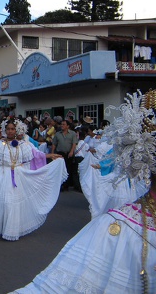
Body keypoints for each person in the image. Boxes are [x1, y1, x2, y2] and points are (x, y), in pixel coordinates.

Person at [12, 89, 156, 293]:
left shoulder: (38, 141)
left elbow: (37, 152)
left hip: (119, 184)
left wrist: (53, 156)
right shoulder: (115, 232)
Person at [0, 120, 66, 241]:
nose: (10, 131)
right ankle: (5, 228)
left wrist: (50, 156)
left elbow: (36, 154)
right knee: (7, 202)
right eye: (8, 129)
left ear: (17, 130)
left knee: (15, 203)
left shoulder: (24, 144)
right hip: (3, 175)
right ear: (5, 130)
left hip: (19, 176)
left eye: (12, 129)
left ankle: (13, 229)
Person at [52, 120, 77, 191]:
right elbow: (54, 144)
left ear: (67, 126)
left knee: (68, 169)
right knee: (60, 169)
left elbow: (74, 143)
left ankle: (66, 185)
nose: (62, 126)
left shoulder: (72, 133)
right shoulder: (57, 134)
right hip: (60, 153)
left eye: (63, 124)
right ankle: (60, 185)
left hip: (68, 153)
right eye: (61, 124)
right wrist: (52, 153)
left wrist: (72, 151)